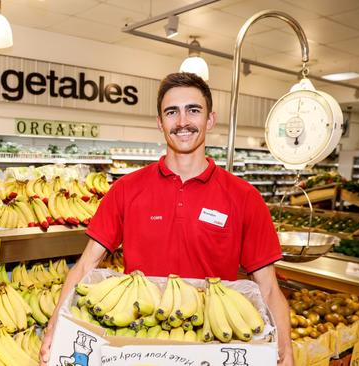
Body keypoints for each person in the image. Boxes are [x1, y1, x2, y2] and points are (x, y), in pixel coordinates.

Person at [39, 72, 293, 366]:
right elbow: (85, 265)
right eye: (172, 112)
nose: (183, 121)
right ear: (160, 123)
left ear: (210, 119)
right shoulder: (126, 189)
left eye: (193, 110)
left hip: (212, 344)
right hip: (137, 343)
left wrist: (285, 351)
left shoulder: (244, 197)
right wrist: (53, 329)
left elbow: (269, 288)